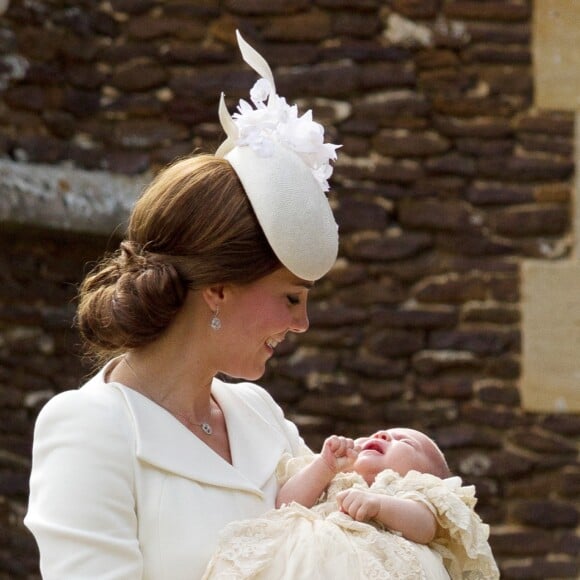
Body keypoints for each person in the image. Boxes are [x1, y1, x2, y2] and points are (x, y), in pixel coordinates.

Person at [24, 32, 342, 580]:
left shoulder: (259, 415)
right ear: (218, 288)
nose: (301, 323)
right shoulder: (89, 429)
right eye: (290, 297)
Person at [203, 428, 500, 579]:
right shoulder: (335, 480)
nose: (383, 434)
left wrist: (379, 505)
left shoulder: (410, 490)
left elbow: (424, 527)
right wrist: (323, 466)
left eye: (405, 442)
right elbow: (284, 504)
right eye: (377, 433)